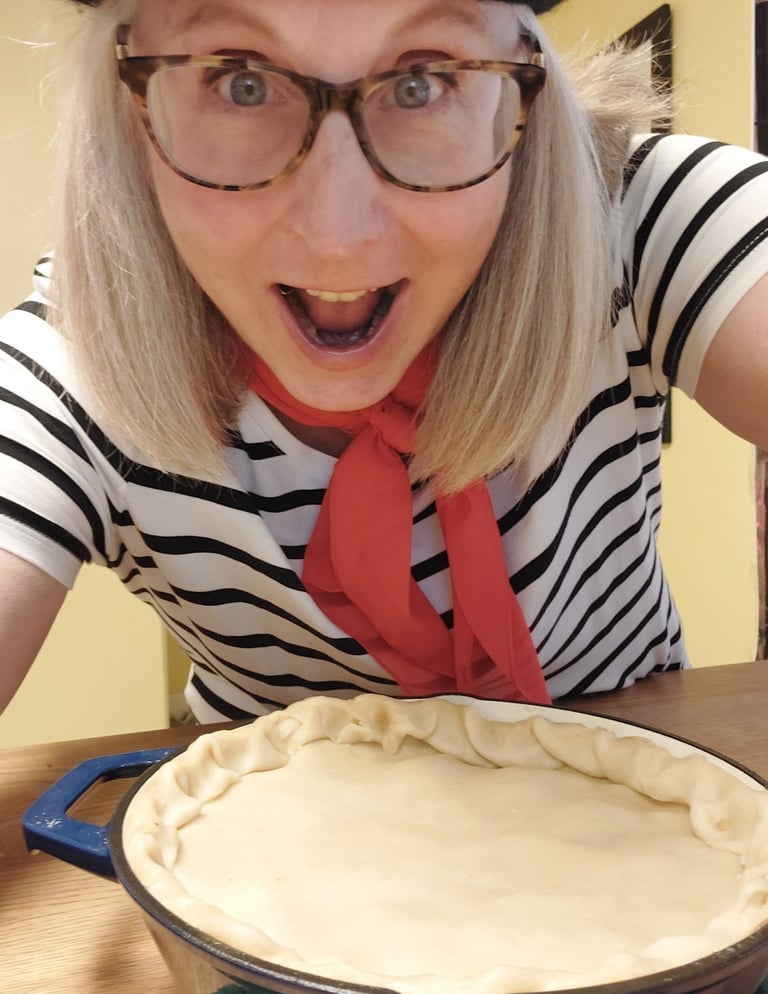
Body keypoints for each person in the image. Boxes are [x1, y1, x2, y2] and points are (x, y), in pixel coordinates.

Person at [1, 0, 766, 724]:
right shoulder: (74, 364)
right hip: (264, 818)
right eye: (241, 83)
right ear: (128, 105)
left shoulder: (646, 222)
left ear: (523, 84)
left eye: (420, 83)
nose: (337, 236)